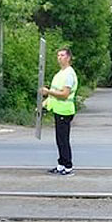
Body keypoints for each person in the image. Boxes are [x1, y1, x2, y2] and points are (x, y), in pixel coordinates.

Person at [41, 47, 78, 176]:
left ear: (68, 58)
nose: (59, 58)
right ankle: (61, 164)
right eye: (58, 55)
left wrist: (48, 92)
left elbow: (64, 94)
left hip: (65, 111)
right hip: (58, 109)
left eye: (62, 55)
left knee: (63, 139)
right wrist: (44, 104)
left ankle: (68, 166)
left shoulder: (69, 74)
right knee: (59, 139)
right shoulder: (60, 73)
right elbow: (54, 93)